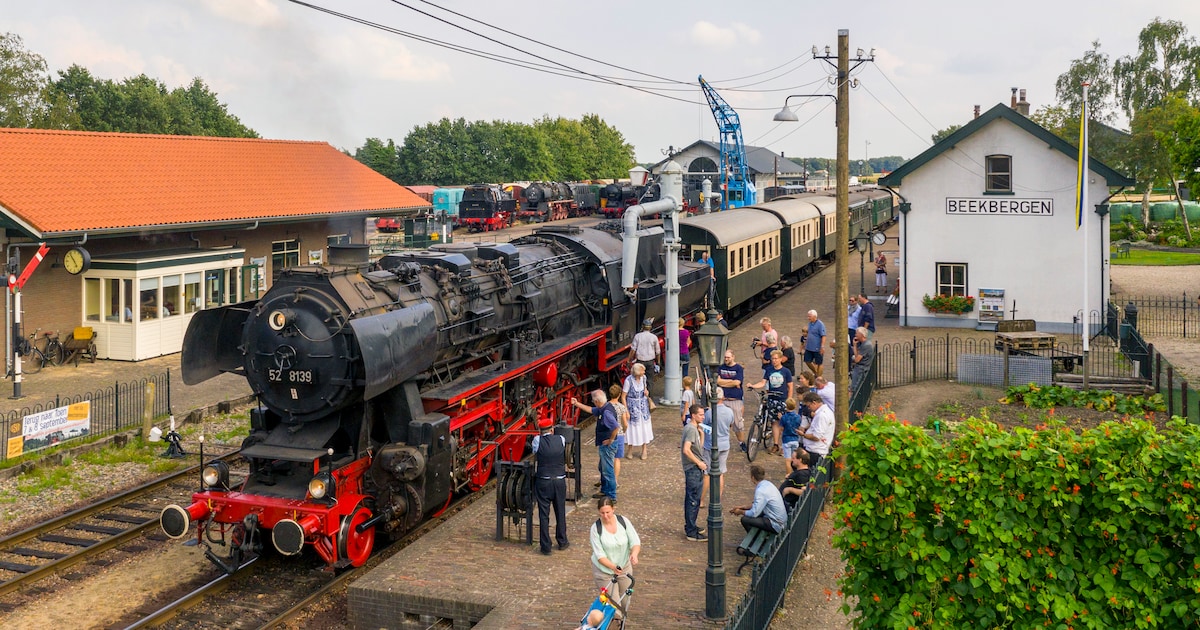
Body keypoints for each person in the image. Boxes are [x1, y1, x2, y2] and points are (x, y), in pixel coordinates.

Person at [590, 498, 641, 613]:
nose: (605, 516)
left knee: (625, 602)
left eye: (608, 512)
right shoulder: (596, 529)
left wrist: (634, 554)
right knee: (614, 607)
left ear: (613, 510)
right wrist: (613, 567)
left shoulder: (623, 521)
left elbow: (635, 541)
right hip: (604, 572)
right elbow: (600, 555)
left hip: (624, 568)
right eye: (602, 513)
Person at [571, 391, 619, 501]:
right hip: (604, 445)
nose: (593, 403)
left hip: (607, 446)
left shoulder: (606, 413)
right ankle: (605, 490)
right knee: (602, 468)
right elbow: (591, 410)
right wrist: (577, 403)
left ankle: (611, 496)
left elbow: (616, 427)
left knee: (608, 470)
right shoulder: (604, 407)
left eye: (593, 401)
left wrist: (611, 440)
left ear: (597, 401)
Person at [531, 416, 569, 555]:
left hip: (544, 480)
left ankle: (546, 546)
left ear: (540, 431)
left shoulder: (537, 440)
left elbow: (535, 452)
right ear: (552, 429)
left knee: (543, 514)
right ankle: (562, 541)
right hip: (559, 480)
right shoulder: (561, 439)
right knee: (560, 511)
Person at [748, 350, 793, 454]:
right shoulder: (769, 370)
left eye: (776, 358)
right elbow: (763, 382)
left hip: (782, 399)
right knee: (774, 422)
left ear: (781, 359)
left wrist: (789, 400)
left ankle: (783, 445)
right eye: (772, 358)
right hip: (772, 399)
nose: (774, 361)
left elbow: (790, 386)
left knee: (783, 423)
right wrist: (753, 386)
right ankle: (776, 444)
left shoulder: (786, 371)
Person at [730, 464, 787, 537]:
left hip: (776, 524)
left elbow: (754, 513)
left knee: (745, 520)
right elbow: (758, 505)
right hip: (780, 519)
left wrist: (740, 512)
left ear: (753, 477)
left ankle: (754, 539)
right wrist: (742, 507)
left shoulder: (761, 491)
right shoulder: (767, 484)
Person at [681, 405, 708, 542]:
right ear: (693, 415)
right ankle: (691, 531)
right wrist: (698, 463)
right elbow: (686, 450)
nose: (703, 417)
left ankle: (692, 525)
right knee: (693, 500)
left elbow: (698, 448)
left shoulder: (694, 429)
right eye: (701, 415)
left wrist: (701, 435)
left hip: (694, 467)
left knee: (694, 499)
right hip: (693, 468)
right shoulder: (691, 429)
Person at [716, 350, 748, 453]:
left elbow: (737, 382)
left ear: (733, 357)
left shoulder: (738, 368)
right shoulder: (721, 367)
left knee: (738, 424)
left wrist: (724, 382)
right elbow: (718, 381)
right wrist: (731, 382)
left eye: (728, 357)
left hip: (735, 399)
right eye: (725, 357)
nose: (726, 359)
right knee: (719, 422)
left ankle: (742, 443)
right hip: (723, 399)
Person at [622, 363, 655, 460]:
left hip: (643, 407)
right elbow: (623, 397)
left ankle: (644, 449)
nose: (644, 372)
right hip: (632, 408)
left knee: (644, 428)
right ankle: (630, 450)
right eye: (642, 371)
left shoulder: (643, 378)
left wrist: (646, 392)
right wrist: (626, 410)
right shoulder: (628, 381)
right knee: (632, 429)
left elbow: (645, 389)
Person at [800, 392, 834, 467]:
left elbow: (816, 437)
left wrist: (803, 435)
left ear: (814, 403)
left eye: (809, 406)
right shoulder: (824, 412)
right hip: (815, 449)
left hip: (815, 451)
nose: (809, 408)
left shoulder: (822, 415)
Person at [630, 319, 660, 388]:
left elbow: (633, 350)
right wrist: (658, 362)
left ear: (643, 327)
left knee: (638, 380)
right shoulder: (654, 337)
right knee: (650, 381)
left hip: (640, 362)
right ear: (650, 327)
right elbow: (658, 351)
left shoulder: (637, 336)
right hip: (650, 361)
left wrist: (629, 360)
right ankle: (649, 397)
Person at [608, 384, 629, 482]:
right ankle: (615, 480)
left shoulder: (606, 407)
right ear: (619, 395)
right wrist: (624, 431)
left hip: (608, 435)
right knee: (617, 459)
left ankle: (606, 479)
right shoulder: (622, 407)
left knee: (607, 459)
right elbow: (625, 423)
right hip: (619, 435)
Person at [776, 398, 804, 470]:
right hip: (795, 439)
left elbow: (781, 428)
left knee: (788, 459)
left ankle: (788, 473)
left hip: (786, 439)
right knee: (795, 458)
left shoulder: (784, 417)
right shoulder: (798, 417)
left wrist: (781, 419)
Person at [850, 326, 875, 395]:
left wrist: (854, 358)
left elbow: (857, 360)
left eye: (857, 334)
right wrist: (855, 345)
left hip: (861, 368)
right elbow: (857, 355)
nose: (855, 335)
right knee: (854, 387)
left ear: (862, 335)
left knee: (855, 387)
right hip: (860, 367)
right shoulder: (862, 344)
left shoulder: (866, 345)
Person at [801, 310, 827, 378]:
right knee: (807, 360)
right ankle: (816, 373)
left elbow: (823, 336)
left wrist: (822, 346)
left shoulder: (820, 324)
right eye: (808, 316)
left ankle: (819, 377)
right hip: (809, 347)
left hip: (817, 348)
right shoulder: (810, 324)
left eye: (809, 316)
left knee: (819, 363)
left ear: (814, 316)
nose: (808, 318)